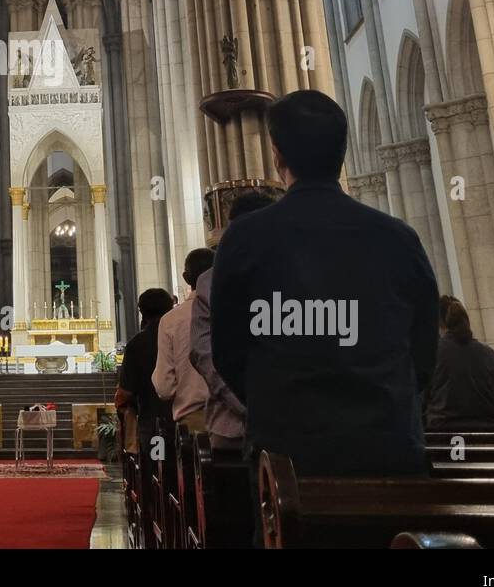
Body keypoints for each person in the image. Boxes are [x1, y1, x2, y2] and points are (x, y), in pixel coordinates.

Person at [212, 90, 439, 478]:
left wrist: (272, 396)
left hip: (288, 450)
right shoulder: (398, 237)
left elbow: (228, 351)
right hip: (387, 445)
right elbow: (423, 347)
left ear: (277, 154)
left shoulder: (246, 237)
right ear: (342, 151)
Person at [190, 193, 273, 445]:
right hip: (244, 426)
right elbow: (205, 354)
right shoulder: (210, 282)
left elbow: (204, 354)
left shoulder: (210, 281)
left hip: (235, 422)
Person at [425, 297, 494, 431]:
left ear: (439, 322)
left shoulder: (433, 354)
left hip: (447, 435)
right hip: (491, 433)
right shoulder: (488, 353)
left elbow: (422, 399)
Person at [153, 251, 215, 432]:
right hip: (238, 419)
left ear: (186, 278)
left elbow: (164, 387)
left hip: (194, 420)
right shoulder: (240, 309)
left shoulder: (172, 320)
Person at [116, 288, 175, 452]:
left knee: (156, 469)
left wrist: (120, 402)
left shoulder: (137, 343)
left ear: (141, 312)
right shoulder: (182, 334)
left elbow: (125, 391)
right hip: (181, 416)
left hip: (152, 418)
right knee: (184, 468)